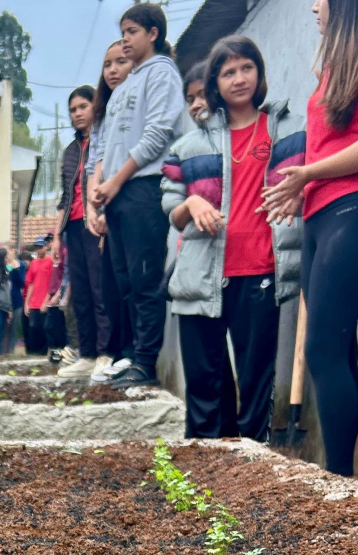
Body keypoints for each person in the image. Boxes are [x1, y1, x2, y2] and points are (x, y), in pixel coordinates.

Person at [162, 36, 305, 441]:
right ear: (215, 83)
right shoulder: (188, 147)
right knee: (205, 390)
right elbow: (170, 211)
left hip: (262, 273)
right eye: (228, 72)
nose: (239, 78)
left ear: (259, 73)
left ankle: (251, 472)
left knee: (257, 384)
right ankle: (204, 475)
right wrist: (191, 202)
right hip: (201, 276)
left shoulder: (290, 133)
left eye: (247, 68)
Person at [259, 0, 358, 475]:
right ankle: (343, 479)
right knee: (339, 351)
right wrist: (303, 189)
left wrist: (308, 174)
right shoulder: (334, 66)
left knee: (322, 349)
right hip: (322, 214)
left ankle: (339, 482)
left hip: (350, 210)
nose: (313, 6)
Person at [91, 3, 184, 389]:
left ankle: (146, 363)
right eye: (124, 31)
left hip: (143, 187)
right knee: (126, 281)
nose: (126, 39)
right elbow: (108, 148)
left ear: (153, 34)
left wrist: (116, 181)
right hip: (118, 194)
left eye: (132, 32)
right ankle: (134, 356)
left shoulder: (162, 74)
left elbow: (157, 134)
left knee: (145, 280)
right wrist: (102, 188)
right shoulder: (126, 85)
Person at [52, 85, 112, 378]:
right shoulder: (70, 151)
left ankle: (104, 352)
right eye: (73, 109)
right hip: (73, 227)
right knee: (81, 293)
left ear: (95, 107)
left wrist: (102, 217)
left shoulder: (106, 142)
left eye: (82, 107)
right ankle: (86, 354)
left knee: (100, 288)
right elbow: (65, 195)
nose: (77, 113)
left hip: (97, 224)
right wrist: (56, 237)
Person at [87, 40, 136, 383]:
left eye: (121, 61)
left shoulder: (136, 105)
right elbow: (97, 161)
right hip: (107, 201)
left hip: (132, 196)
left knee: (132, 282)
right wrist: (94, 205)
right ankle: (119, 354)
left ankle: (134, 355)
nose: (114, 70)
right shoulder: (103, 114)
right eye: (108, 64)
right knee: (110, 282)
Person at [24, 240, 54, 355]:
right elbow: (30, 283)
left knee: (45, 328)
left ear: (46, 247)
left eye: (40, 247)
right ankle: (35, 353)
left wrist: (46, 301)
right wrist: (27, 303)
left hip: (44, 300)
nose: (38, 249)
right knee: (33, 328)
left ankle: (44, 352)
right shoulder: (34, 263)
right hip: (34, 301)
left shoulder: (50, 261)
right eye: (36, 247)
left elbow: (52, 283)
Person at [42, 239, 68, 357]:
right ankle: (54, 352)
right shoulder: (55, 257)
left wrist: (58, 294)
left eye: (51, 240)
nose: (49, 244)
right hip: (53, 294)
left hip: (61, 295)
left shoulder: (65, 253)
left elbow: (66, 277)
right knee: (50, 326)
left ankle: (61, 352)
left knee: (58, 327)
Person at [2, 243, 26, 353]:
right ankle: (0, 354)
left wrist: (14, 269)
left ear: (13, 251)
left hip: (16, 301)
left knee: (14, 330)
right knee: (2, 330)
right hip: (3, 302)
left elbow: (21, 283)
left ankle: (10, 352)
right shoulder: (1, 265)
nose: (5, 254)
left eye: (6, 251)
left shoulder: (21, 265)